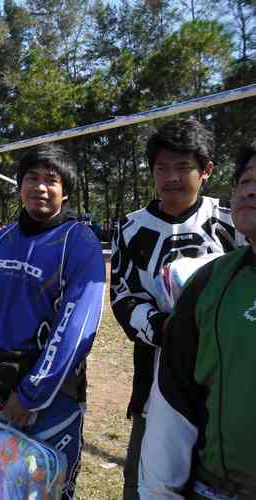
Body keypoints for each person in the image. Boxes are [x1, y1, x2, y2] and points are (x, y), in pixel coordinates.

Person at [110, 118, 245, 500]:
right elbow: (123, 296)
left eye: (182, 167)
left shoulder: (231, 218)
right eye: (161, 168)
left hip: (226, 381)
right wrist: (165, 329)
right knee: (146, 484)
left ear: (206, 170)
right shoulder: (131, 228)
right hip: (155, 381)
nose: (171, 178)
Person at [0, 145, 105, 499]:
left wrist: (31, 394)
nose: (40, 187)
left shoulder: (79, 241)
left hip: (54, 398)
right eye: (32, 178)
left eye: (51, 180)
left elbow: (76, 330)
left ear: (66, 191)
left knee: (48, 489)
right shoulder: (3, 239)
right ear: (20, 185)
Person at [139, 143, 256, 499]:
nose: (249, 190)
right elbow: (173, 399)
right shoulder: (209, 283)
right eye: (245, 181)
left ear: (204, 172)